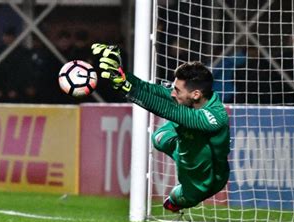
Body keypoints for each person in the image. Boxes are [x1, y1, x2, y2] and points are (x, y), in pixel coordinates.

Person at [91, 43, 230, 212]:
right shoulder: (188, 99)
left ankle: (176, 200)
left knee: (181, 195)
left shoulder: (216, 117)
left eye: (177, 91)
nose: (173, 93)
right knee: (159, 138)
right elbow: (151, 89)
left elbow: (170, 110)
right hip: (186, 147)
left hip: (205, 175)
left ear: (196, 94)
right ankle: (180, 150)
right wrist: (122, 75)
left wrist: (129, 90)